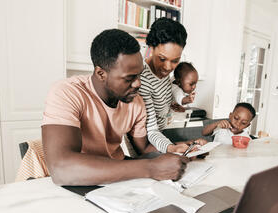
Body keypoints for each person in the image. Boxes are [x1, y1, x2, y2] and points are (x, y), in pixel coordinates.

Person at [42, 29, 189, 186]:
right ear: (101, 74)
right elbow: (61, 169)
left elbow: (144, 148)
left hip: (116, 180)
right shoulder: (67, 92)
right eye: (129, 78)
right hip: (77, 183)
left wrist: (173, 150)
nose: (138, 83)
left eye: (139, 75)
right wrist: (150, 168)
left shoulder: (135, 102)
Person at [139, 18, 206, 154]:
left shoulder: (163, 75)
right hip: (147, 144)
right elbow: (151, 130)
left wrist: (172, 104)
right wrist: (172, 148)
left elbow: (161, 101)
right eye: (162, 59)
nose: (168, 67)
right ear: (150, 47)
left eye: (175, 61)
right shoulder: (143, 80)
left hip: (161, 137)